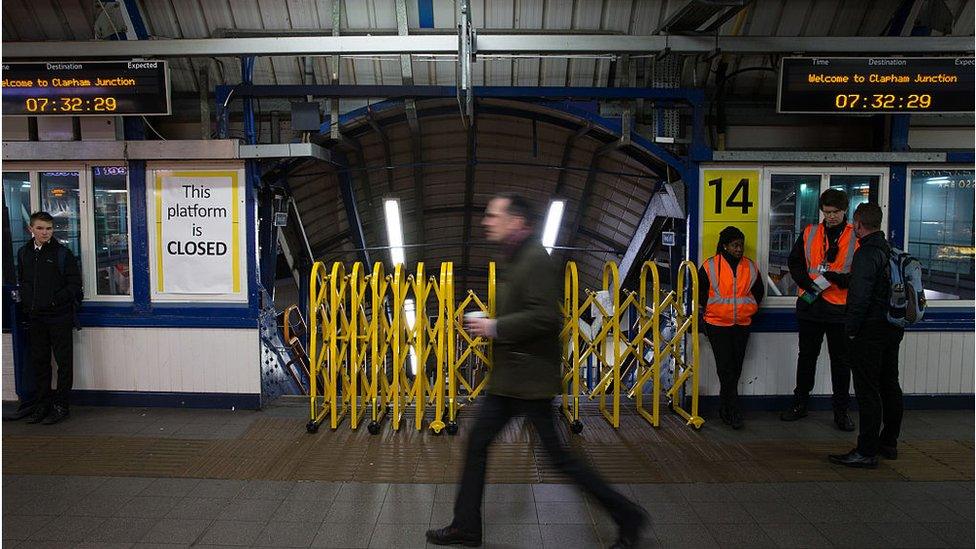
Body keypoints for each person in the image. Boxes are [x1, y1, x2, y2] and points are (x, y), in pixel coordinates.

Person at [426, 193, 647, 548]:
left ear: (517, 222)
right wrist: (494, 324)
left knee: (559, 459)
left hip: (530, 382)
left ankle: (627, 514)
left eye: (494, 216)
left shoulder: (535, 260)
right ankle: (466, 525)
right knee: (478, 443)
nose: (486, 221)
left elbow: (546, 317)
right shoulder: (515, 258)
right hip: (511, 380)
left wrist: (495, 327)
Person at [829, 203, 904, 469]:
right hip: (892, 329)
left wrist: (850, 330)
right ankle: (889, 442)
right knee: (889, 385)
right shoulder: (889, 251)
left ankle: (866, 450)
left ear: (858, 225)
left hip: (869, 332)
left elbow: (860, 297)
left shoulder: (866, 253)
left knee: (868, 391)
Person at [780, 189, 857, 431]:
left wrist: (839, 279)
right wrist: (807, 283)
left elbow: (860, 273)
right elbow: (794, 262)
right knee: (806, 358)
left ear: (845, 211)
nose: (831, 216)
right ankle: (800, 404)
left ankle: (841, 412)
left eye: (835, 212)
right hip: (811, 305)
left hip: (839, 309)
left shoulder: (856, 236)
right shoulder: (810, 232)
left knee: (841, 363)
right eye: (826, 212)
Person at [16, 211, 81, 425]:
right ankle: (42, 404)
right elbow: (24, 281)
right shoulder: (24, 253)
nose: (45, 232)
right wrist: (28, 302)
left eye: (49, 228)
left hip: (59, 317)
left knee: (64, 363)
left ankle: (61, 405)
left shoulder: (63, 254)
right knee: (40, 362)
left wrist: (54, 301)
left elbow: (74, 285)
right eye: (41, 228)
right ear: (31, 229)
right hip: (36, 317)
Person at [698, 226, 764, 430]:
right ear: (724, 246)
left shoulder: (750, 267)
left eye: (741, 245)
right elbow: (699, 293)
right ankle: (732, 410)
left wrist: (749, 310)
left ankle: (726, 408)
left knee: (735, 369)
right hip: (717, 325)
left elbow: (759, 292)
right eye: (735, 245)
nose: (739, 249)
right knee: (726, 369)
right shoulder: (710, 266)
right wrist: (706, 314)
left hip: (741, 325)